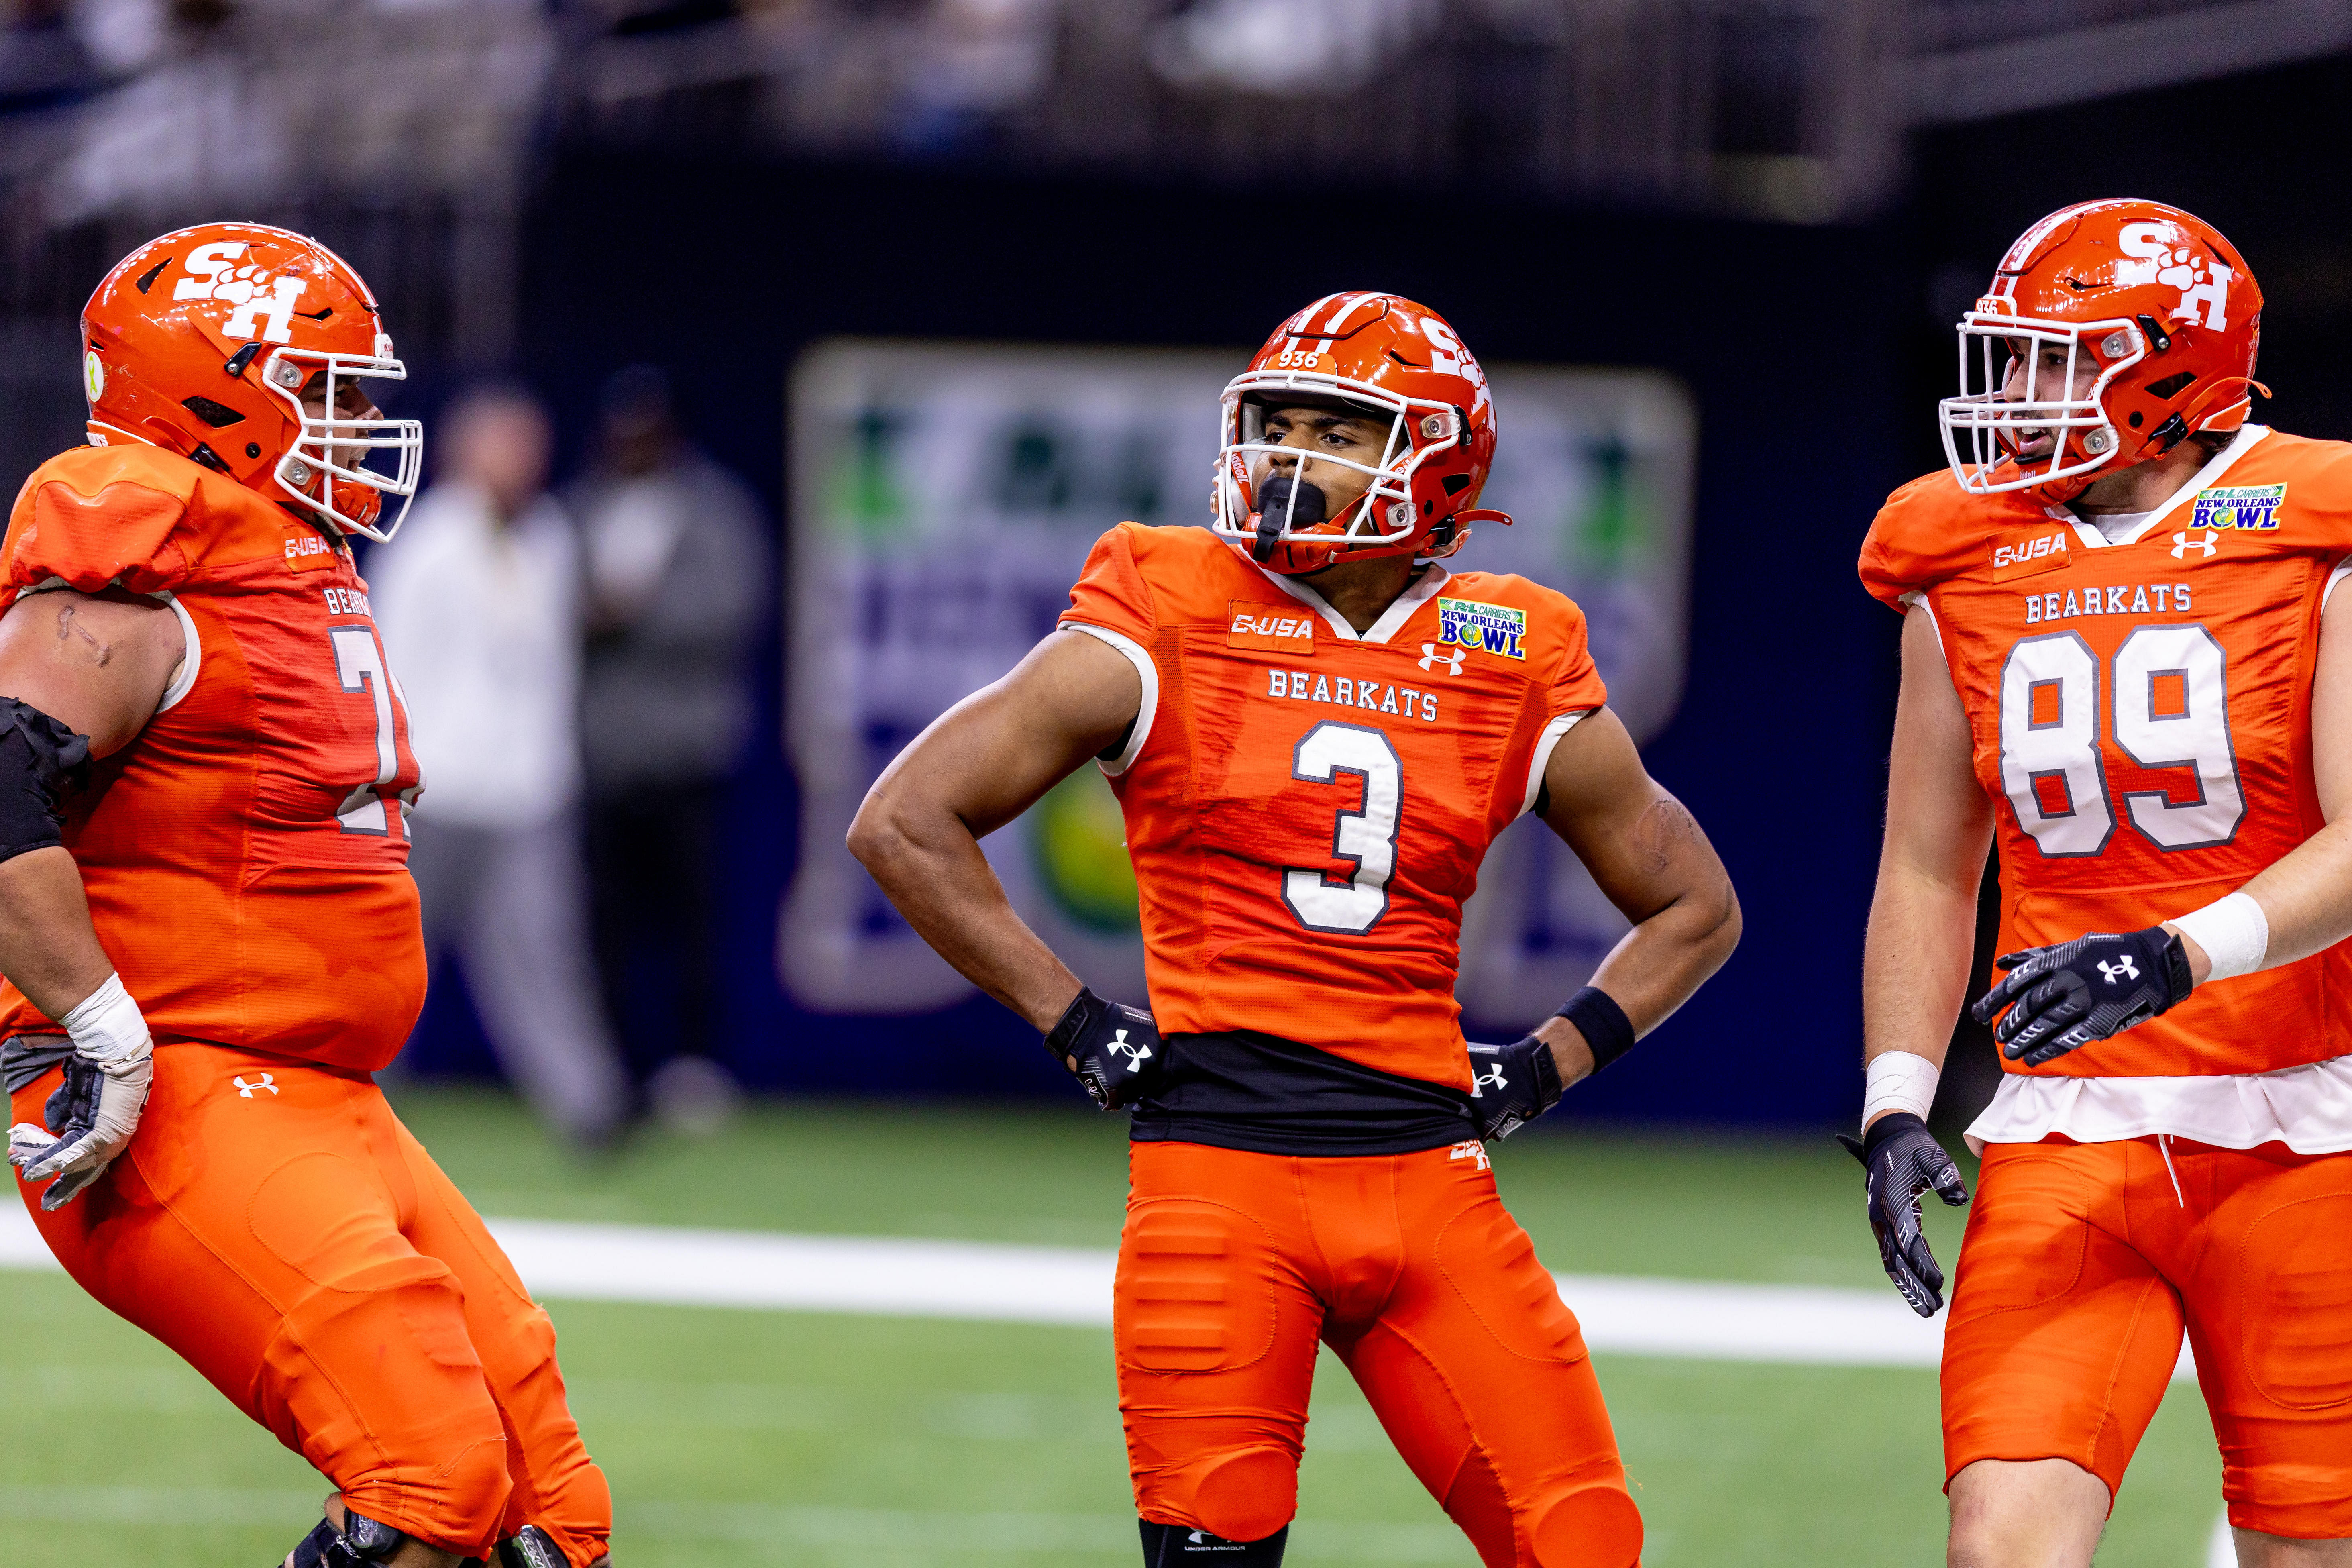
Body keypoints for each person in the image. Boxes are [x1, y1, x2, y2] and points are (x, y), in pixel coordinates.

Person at [850, 292, 1740, 1567]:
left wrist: (1548, 1063)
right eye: (1276, 424)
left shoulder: (1510, 646)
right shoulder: (1164, 599)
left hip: (1428, 1178)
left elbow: (1695, 904)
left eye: (1336, 430)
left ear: (1433, 460)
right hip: (1220, 1181)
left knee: (1583, 1542)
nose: (1285, 460)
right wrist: (1075, 1020)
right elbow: (905, 819)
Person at [0, 222, 611, 1568]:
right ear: (211, 384)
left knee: (550, 1512)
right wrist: (90, 1020)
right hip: (185, 1081)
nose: (359, 421)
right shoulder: (129, 558)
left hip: (325, 1086)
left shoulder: (271, 549)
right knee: (429, 1473)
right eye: (325, 389)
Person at [1853, 200, 2352, 1567]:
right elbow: (1921, 859)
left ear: (2172, 368)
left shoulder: (2313, 515)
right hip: (2067, 1132)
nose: (2014, 396)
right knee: (1998, 1545)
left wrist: (2173, 952)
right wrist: (1895, 1096)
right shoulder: (1954, 547)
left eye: (2051, 361)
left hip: (2306, 1130)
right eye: (2008, 360)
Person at [372, 385, 630, 1152]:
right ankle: (359, 1099)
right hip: (435, 787)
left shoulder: (550, 536)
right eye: (505, 445)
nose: (522, 462)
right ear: (467, 451)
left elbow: (551, 664)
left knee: (545, 954)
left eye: (530, 445)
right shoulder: (428, 542)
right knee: (392, 959)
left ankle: (591, 1109)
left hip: (527, 787)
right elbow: (389, 657)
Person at [568, 366, 766, 1127]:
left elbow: (730, 612)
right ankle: (612, 1067)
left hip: (688, 750)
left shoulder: (716, 510)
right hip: (605, 750)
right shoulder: (585, 505)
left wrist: (634, 614)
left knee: (690, 918)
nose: (632, 444)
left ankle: (692, 1069)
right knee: (604, 923)